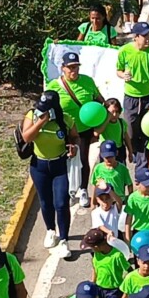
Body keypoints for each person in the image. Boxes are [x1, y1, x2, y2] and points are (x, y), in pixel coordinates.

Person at [21, 91, 77, 252]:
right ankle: (50, 230)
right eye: (41, 107)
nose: (42, 111)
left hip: (59, 166)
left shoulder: (65, 119)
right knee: (45, 201)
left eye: (46, 109)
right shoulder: (32, 116)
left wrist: (73, 146)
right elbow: (26, 137)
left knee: (61, 203)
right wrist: (40, 122)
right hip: (39, 166)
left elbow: (75, 136)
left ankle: (64, 239)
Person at [47, 51, 105, 208]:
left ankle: (83, 189)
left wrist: (99, 123)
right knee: (64, 161)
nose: (73, 70)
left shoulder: (88, 81)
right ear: (63, 68)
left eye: (76, 67)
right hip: (64, 131)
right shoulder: (54, 86)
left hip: (84, 129)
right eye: (70, 67)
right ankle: (67, 191)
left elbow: (100, 101)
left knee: (83, 159)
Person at [117, 22, 149, 165]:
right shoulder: (124, 51)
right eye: (145, 35)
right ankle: (134, 151)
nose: (148, 38)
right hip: (131, 97)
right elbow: (118, 70)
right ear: (136, 37)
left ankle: (146, 160)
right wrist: (123, 75)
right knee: (131, 130)